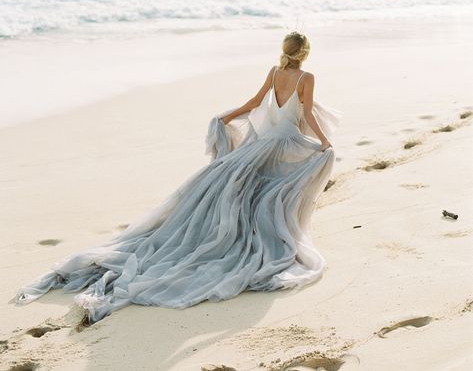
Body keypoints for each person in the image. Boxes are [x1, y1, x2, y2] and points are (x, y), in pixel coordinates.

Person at [14, 31, 342, 324]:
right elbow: (308, 113)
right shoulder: (306, 77)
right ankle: (266, 238)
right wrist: (325, 143)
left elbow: (255, 103)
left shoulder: (274, 72)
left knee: (244, 192)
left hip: (264, 142)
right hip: (282, 143)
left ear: (284, 50)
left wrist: (225, 116)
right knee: (271, 191)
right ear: (305, 53)